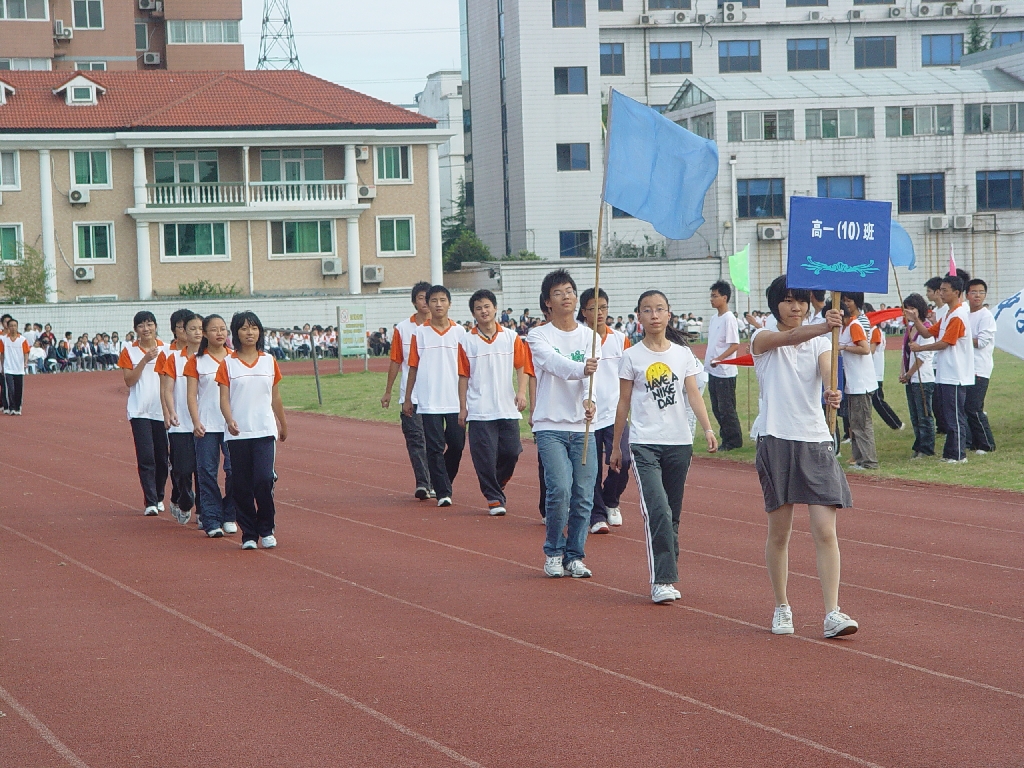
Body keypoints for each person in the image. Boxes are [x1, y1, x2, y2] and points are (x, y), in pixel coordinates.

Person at [750, 275, 858, 639]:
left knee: (825, 530)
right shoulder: (762, 338)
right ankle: (782, 605)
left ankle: (832, 612)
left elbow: (827, 369)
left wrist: (831, 390)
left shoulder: (822, 341)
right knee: (780, 533)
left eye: (801, 301)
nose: (795, 307)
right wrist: (824, 324)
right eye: (788, 300)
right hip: (775, 438)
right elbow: (791, 337)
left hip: (814, 438)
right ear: (775, 304)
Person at [609, 290, 718, 604]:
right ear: (639, 317)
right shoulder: (631, 356)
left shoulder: (683, 355)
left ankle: (669, 571)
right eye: (647, 310)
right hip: (645, 444)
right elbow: (623, 403)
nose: (654, 315)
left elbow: (693, 394)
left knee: (673, 514)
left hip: (679, 443)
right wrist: (616, 446)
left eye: (659, 309)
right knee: (657, 510)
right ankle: (662, 580)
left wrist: (708, 429)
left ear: (669, 314)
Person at [527, 270, 600, 579]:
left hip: (582, 427)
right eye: (558, 293)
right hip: (549, 425)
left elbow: (592, 381)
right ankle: (554, 551)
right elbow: (554, 365)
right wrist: (583, 369)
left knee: (584, 494)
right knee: (560, 489)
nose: (566, 296)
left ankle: (575, 556)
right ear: (548, 302)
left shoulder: (591, 337)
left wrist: (589, 400)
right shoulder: (538, 336)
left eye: (569, 290)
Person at [217, 311, 288, 550]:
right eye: (244, 328)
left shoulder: (269, 361)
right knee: (242, 485)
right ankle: (249, 533)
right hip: (238, 433)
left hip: (264, 430)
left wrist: (283, 423)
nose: (250, 333)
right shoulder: (228, 363)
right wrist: (229, 420)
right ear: (236, 333)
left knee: (264, 479)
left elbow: (275, 396)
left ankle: (266, 528)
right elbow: (224, 398)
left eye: (254, 328)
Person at [457, 289, 530, 516]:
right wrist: (462, 407)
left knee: (512, 451)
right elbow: (463, 376)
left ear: (495, 308)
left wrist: (521, 392)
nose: (484, 311)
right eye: (478, 308)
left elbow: (522, 366)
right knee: (484, 457)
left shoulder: (511, 337)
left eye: (487, 306)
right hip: (479, 408)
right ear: (473, 313)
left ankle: (497, 483)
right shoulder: (466, 341)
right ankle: (494, 497)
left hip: (506, 406)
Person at [403, 285, 466, 508]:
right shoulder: (419, 333)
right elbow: (413, 366)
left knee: (457, 445)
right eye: (434, 301)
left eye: (443, 300)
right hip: (429, 401)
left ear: (449, 303)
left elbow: (467, 368)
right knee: (435, 447)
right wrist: (408, 398)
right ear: (427, 304)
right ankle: (443, 491)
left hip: (455, 400)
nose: (438, 304)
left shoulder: (460, 332)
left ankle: (443, 479)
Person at [577, 288, 631, 534]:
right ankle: (596, 515)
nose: (599, 312)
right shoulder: (580, 340)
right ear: (583, 312)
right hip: (588, 414)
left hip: (615, 413)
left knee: (623, 460)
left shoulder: (620, 340)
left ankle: (611, 499)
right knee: (592, 468)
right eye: (593, 308)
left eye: (603, 307)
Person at [906, 275, 974, 463]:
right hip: (946, 373)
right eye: (940, 290)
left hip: (956, 373)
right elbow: (928, 332)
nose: (941, 293)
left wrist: (921, 348)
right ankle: (951, 453)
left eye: (945, 290)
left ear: (957, 293)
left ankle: (958, 454)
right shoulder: (947, 315)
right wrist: (916, 320)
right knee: (948, 415)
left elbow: (946, 342)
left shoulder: (958, 315)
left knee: (955, 416)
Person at [186, 314, 238, 538]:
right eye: (214, 329)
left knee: (234, 470)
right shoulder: (196, 361)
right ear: (205, 334)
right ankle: (212, 519)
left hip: (232, 424)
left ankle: (230, 513)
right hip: (207, 424)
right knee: (207, 472)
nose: (220, 333)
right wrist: (196, 421)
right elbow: (191, 395)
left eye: (223, 329)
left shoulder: (235, 358)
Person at [381, 282, 435, 500]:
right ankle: (423, 483)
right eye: (421, 298)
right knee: (415, 439)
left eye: (429, 297)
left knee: (435, 441)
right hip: (410, 395)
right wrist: (388, 391)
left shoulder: (446, 328)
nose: (426, 302)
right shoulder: (403, 329)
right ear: (414, 302)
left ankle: (438, 481)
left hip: (437, 396)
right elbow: (396, 360)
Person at [118, 311, 170, 516]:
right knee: (146, 456)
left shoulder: (167, 349)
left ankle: (159, 495)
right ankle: (150, 501)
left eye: (149, 324)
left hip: (162, 410)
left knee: (162, 458)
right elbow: (129, 380)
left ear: (155, 326)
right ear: (135, 329)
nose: (146, 329)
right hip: (139, 410)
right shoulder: (129, 351)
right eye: (141, 326)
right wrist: (145, 360)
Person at [159, 311, 203, 526]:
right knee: (183, 469)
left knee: (204, 470)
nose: (197, 333)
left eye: (201, 329)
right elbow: (167, 389)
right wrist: (170, 411)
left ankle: (204, 511)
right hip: (181, 423)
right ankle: (185, 498)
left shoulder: (213, 357)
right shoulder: (174, 358)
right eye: (192, 329)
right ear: (183, 332)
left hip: (206, 423)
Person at [838, 292, 878, 470]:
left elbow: (865, 349)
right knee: (855, 423)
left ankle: (869, 460)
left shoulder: (854, 325)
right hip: (853, 382)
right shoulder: (845, 327)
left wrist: (844, 347)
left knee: (862, 423)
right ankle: (860, 457)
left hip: (862, 383)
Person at [705, 280, 743, 451]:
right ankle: (726, 437)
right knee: (716, 407)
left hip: (725, 371)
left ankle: (733, 440)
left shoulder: (729, 319)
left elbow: (734, 345)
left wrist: (719, 359)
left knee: (726, 408)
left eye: (715, 296)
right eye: (711, 296)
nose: (711, 299)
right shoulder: (715, 318)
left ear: (724, 298)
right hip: (713, 371)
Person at [899, 294, 936, 459]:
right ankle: (919, 444)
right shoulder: (909, 328)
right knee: (914, 415)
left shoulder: (926, 328)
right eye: (906, 308)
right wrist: (902, 372)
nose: (909, 312)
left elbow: (923, 357)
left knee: (924, 415)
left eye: (912, 308)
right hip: (910, 379)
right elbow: (905, 352)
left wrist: (909, 374)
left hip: (922, 378)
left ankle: (927, 448)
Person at [965, 279, 997, 454]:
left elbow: (982, 342)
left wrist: (960, 339)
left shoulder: (986, 316)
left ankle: (987, 444)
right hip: (966, 367)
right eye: (973, 292)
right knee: (967, 407)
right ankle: (974, 442)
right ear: (967, 295)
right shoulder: (966, 314)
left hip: (980, 367)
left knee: (974, 407)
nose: (977, 296)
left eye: (981, 292)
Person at [868, 316, 903, 431]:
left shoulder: (875, 331)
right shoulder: (874, 331)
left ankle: (896, 423)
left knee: (878, 400)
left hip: (875, 371)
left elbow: (871, 350)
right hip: (873, 371)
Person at [1, 317, 31, 414]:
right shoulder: (4, 340)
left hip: (19, 368)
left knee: (18, 389)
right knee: (10, 388)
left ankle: (18, 408)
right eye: (11, 326)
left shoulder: (22, 340)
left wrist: (25, 362)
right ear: (8, 327)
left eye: (15, 326)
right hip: (8, 368)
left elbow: (26, 352)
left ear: (17, 327)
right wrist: (2, 366)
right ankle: (12, 408)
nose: (13, 328)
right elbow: (2, 353)